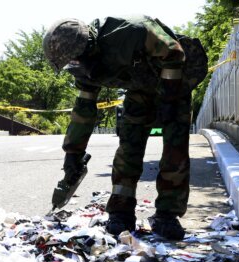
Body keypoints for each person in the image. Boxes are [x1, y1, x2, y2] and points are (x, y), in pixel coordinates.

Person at [43, 16, 207, 240]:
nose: (75, 66)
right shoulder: (82, 66)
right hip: (139, 89)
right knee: (129, 146)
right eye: (70, 63)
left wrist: (169, 100)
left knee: (175, 148)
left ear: (88, 47)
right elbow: (84, 110)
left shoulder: (132, 32)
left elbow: (174, 52)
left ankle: (167, 215)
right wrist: (73, 153)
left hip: (174, 80)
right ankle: (121, 212)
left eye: (76, 60)